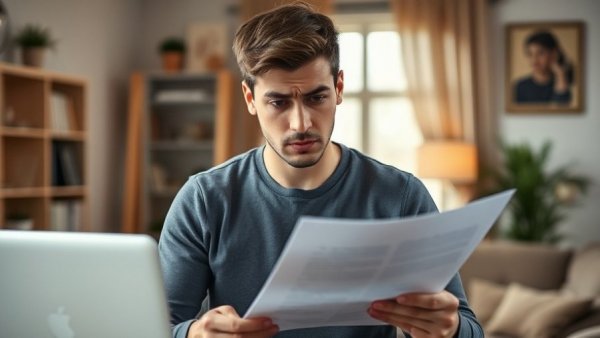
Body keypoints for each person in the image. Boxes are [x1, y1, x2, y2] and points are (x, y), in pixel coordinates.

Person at [158, 2, 483, 338]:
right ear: (250, 98)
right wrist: (193, 334)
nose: (301, 123)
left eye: (316, 98)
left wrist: (452, 329)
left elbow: (470, 328)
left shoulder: (401, 197)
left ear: (339, 88)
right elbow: (155, 327)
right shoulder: (203, 200)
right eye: (278, 102)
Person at [513, 30, 574, 105]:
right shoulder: (520, 86)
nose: (534, 60)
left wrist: (560, 74)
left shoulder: (562, 82)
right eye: (530, 54)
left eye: (540, 53)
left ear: (554, 53)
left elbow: (561, 110)